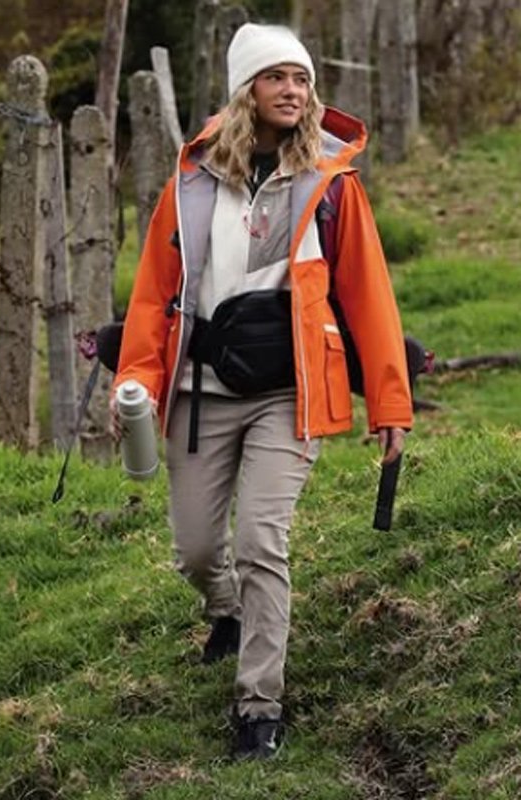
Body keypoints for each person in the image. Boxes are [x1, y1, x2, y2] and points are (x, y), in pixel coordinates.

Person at [111, 24, 413, 760]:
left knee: (260, 542)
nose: (292, 90)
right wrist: (137, 382)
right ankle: (227, 612)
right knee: (193, 549)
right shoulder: (189, 183)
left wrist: (391, 403)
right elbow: (155, 294)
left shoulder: (332, 185)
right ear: (246, 89)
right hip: (200, 392)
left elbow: (369, 297)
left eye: (301, 79)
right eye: (276, 77)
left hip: (290, 394)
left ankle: (258, 708)